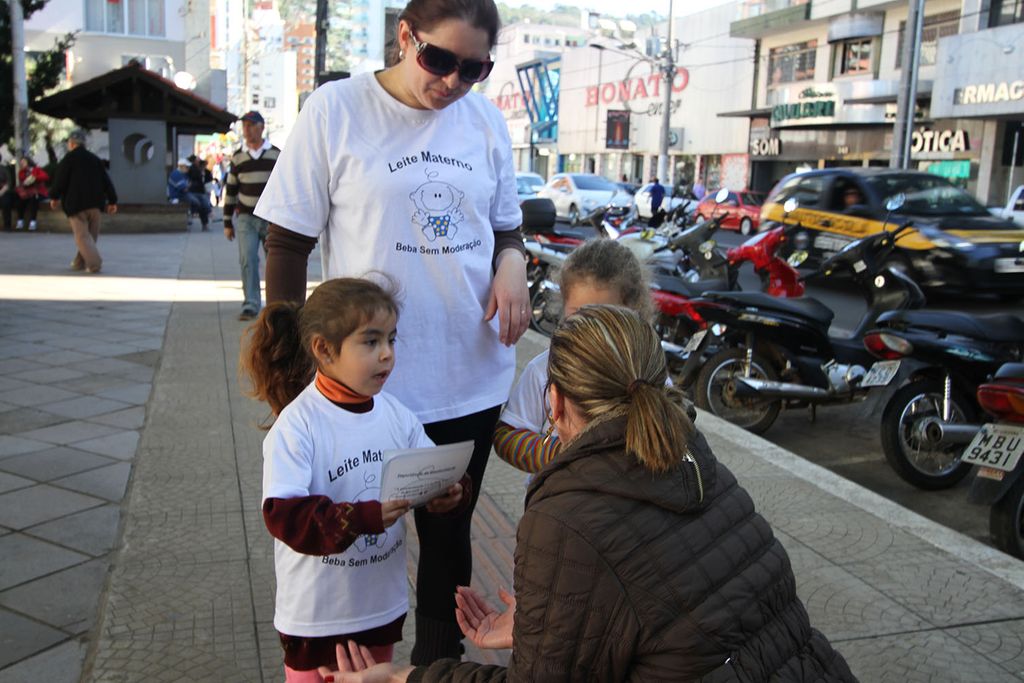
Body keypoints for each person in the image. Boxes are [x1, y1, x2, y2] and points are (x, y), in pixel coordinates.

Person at [319, 305, 858, 683]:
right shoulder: (698, 462)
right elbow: (662, 617)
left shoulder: (567, 515)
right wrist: (549, 631)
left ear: (552, 404)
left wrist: (407, 676)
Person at [254, 0, 528, 664]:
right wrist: (294, 375)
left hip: (469, 377)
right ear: (405, 38)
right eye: (439, 59)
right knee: (352, 538)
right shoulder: (337, 110)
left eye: (475, 68)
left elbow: (505, 225)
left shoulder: (485, 121)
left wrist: (514, 262)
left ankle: (437, 668)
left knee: (449, 530)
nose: (453, 81)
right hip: (368, 385)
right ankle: (342, 669)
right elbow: (287, 244)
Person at [240, 277, 471, 682]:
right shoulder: (298, 426)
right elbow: (283, 515)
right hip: (315, 618)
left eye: (392, 340)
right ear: (323, 350)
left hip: (379, 608)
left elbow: (434, 467)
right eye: (370, 342)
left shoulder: (397, 415)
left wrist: (450, 491)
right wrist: (364, 517)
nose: (387, 355)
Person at [493, 239, 653, 473]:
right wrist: (562, 454)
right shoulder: (544, 369)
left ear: (634, 311)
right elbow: (507, 435)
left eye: (606, 317)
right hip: (557, 500)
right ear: (562, 308)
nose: (591, 328)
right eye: (579, 316)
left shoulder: (645, 368)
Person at [223, 110, 282, 321]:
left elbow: (285, 187)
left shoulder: (276, 154)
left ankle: (276, 307)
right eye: (244, 126)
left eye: (250, 125)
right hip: (246, 217)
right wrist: (227, 221)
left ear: (261, 127)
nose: (246, 130)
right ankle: (251, 304)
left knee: (274, 262)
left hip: (272, 218)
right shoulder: (238, 157)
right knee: (247, 259)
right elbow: (231, 190)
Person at [48, 130, 118, 273]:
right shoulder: (95, 160)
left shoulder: (68, 159)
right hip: (96, 204)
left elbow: (60, 180)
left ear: (72, 144)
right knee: (90, 237)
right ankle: (79, 263)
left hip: (76, 204)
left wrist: (54, 197)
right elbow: (106, 181)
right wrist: (112, 201)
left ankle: (94, 264)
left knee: (82, 237)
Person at [14, 155, 49, 231]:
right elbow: (23, 180)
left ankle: (33, 221)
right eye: (21, 162)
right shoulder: (22, 172)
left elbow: (45, 176)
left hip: (38, 191)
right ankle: (20, 220)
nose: (22, 164)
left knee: (34, 200)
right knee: (20, 200)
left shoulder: (36, 169)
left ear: (28, 162)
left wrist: (35, 177)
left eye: (24, 162)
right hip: (27, 192)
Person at [186, 154, 212, 230]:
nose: (198, 161)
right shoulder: (193, 169)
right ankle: (204, 221)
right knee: (202, 206)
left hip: (198, 190)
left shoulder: (197, 169)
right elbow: (196, 179)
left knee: (202, 206)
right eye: (197, 160)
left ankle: (204, 222)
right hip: (196, 191)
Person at [0, 162, 14, 232]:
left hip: (3, 191)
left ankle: (7, 225)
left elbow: (9, 182)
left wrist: (1, 192)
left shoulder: (4, 169)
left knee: (6, 203)